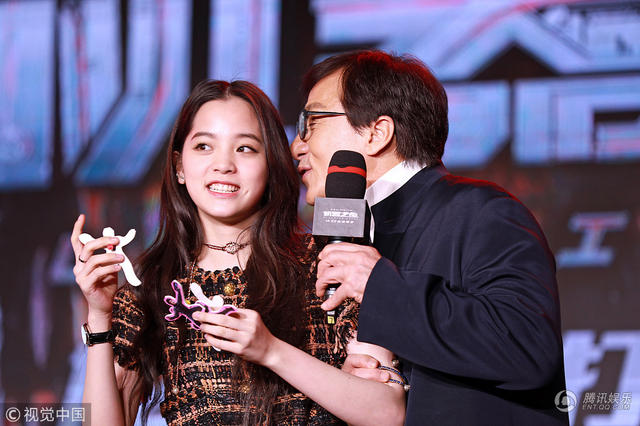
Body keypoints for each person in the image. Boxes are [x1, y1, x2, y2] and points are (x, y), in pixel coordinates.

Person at [71, 79, 405, 425]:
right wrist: (99, 317)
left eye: (245, 148)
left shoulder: (329, 266)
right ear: (179, 166)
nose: (223, 165)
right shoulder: (155, 288)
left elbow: (388, 413)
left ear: (271, 163)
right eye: (204, 146)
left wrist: (271, 351)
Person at [291, 50, 569, 425]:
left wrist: (379, 287)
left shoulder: (481, 211)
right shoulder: (344, 235)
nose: (297, 145)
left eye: (311, 122)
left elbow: (527, 347)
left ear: (376, 133)